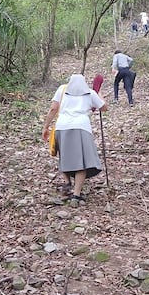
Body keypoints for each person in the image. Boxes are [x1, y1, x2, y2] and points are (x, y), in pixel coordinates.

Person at [42, 74, 106, 203]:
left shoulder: (62, 89)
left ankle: (67, 183)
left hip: (62, 126)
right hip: (81, 127)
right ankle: (76, 195)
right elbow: (104, 107)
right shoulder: (90, 93)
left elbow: (53, 108)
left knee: (64, 156)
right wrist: (99, 93)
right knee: (82, 162)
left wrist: (46, 126)